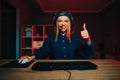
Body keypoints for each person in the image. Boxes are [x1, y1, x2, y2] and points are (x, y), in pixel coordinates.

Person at [19, 11, 94, 63]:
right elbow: (42, 53)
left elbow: (86, 54)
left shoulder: (75, 38)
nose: (63, 24)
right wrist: (30, 57)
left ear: (70, 24)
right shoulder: (50, 38)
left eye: (66, 21)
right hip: (55, 71)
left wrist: (88, 39)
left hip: (73, 70)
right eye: (60, 21)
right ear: (56, 23)